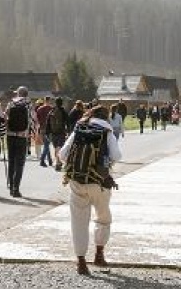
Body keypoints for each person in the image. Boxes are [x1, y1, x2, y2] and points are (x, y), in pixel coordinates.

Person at [59, 105, 122, 275]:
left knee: (78, 222)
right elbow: (117, 156)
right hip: (99, 182)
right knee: (103, 218)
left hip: (77, 181)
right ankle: (99, 255)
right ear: (107, 116)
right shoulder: (107, 131)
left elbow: (63, 154)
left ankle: (81, 262)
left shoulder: (79, 128)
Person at [5, 86, 37, 198]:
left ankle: (11, 185)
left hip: (10, 136)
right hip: (22, 136)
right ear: (27, 94)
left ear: (18, 94)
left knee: (11, 161)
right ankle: (16, 189)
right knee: (19, 163)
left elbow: (5, 118)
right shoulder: (29, 105)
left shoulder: (11, 103)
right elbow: (33, 121)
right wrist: (33, 134)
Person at [46, 96, 69, 171]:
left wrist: (47, 133)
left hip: (53, 133)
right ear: (61, 103)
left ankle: (57, 162)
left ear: (55, 103)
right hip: (61, 132)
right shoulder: (63, 111)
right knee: (59, 147)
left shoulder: (51, 111)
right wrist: (68, 131)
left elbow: (48, 123)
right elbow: (68, 122)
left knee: (56, 148)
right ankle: (58, 162)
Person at [36, 96, 53, 167]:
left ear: (44, 100)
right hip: (48, 129)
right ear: (49, 101)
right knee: (46, 145)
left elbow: (37, 119)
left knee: (46, 144)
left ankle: (50, 160)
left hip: (41, 128)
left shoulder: (39, 109)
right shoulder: (51, 109)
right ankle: (42, 160)